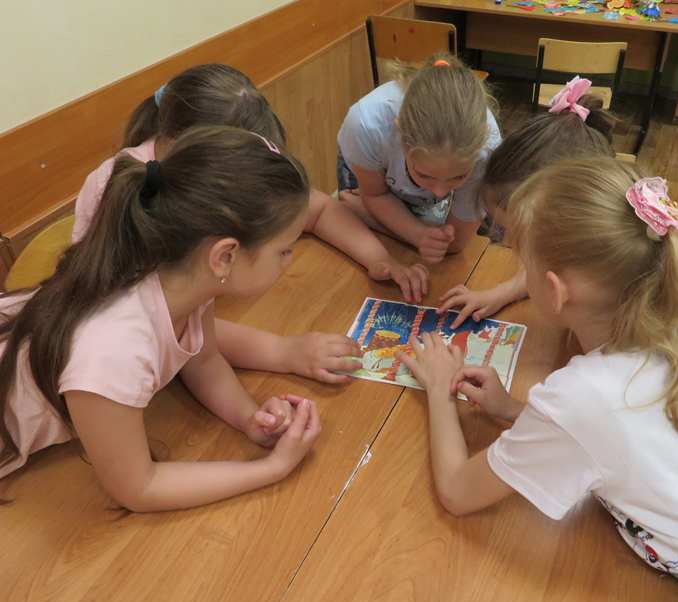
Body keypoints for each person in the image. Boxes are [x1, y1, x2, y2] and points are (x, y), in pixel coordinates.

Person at [397, 157, 678, 602]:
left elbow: (457, 491)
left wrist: (438, 388)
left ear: (554, 290)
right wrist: (512, 409)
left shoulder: (579, 397)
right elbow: (627, 431)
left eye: (525, 265)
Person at [0, 127, 322, 511]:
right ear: (225, 256)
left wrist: (250, 419)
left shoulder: (183, 274)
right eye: (284, 250)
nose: (290, 260)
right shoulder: (112, 349)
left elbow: (203, 360)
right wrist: (272, 469)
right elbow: (139, 488)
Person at [73, 63, 428, 303]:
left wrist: (379, 258)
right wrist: (281, 351)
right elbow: (170, 322)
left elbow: (319, 209)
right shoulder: (124, 190)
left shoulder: (226, 168)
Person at [437, 77, 615, 329]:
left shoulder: (607, 289)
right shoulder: (592, 240)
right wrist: (502, 292)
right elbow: (548, 268)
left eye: (513, 230)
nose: (507, 240)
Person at [336, 53, 501, 264]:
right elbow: (375, 194)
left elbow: (455, 243)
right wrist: (418, 233)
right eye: (424, 175)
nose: (439, 192)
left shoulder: (488, 150)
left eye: (459, 177)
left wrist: (376, 221)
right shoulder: (366, 124)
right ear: (401, 133)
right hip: (372, 164)